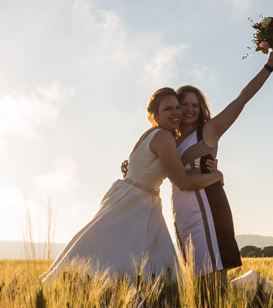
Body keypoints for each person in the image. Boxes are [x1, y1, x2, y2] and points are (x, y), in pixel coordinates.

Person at [42, 88, 224, 286]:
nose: (176, 112)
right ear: (154, 115)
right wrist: (217, 176)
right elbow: (182, 182)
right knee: (135, 262)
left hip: (129, 196)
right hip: (137, 203)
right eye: (168, 109)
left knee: (104, 254)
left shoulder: (149, 135)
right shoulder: (164, 137)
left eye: (177, 107)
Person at [172, 47, 273, 286]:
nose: (190, 109)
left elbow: (241, 100)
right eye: (184, 104)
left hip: (208, 209)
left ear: (201, 107)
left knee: (213, 284)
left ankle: (261, 291)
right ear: (176, 108)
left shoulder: (208, 130)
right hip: (181, 212)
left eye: (195, 104)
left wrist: (268, 67)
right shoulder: (169, 140)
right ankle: (255, 287)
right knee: (197, 284)